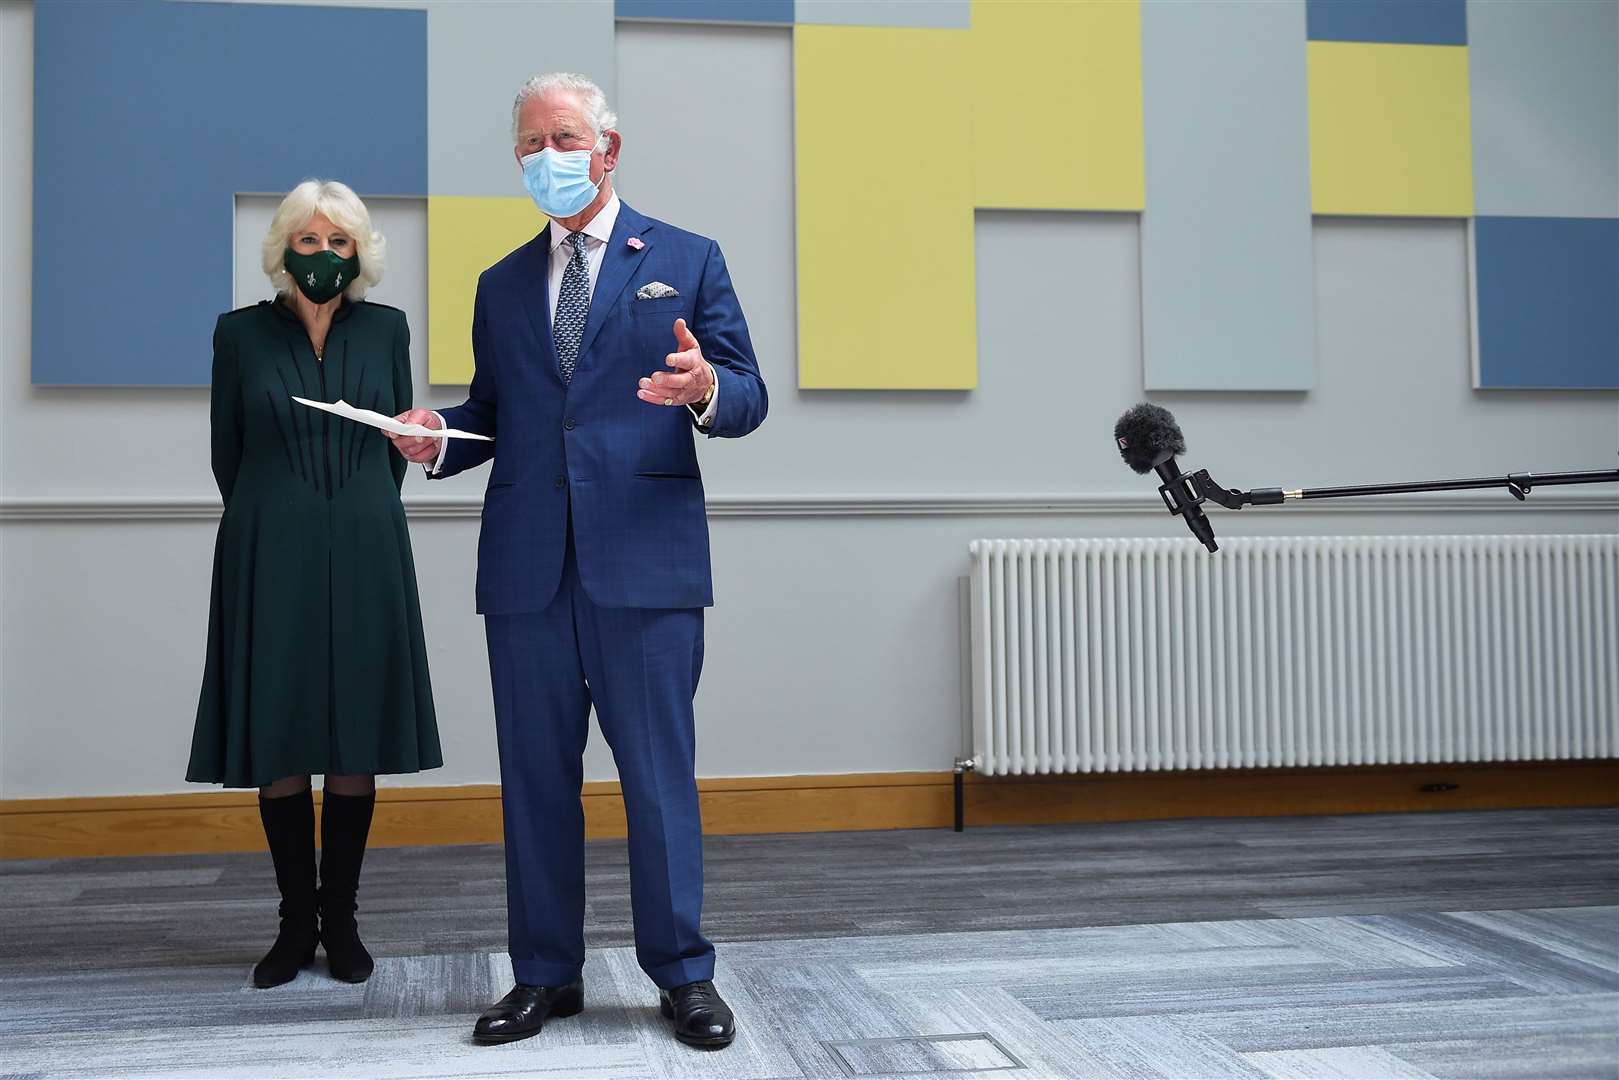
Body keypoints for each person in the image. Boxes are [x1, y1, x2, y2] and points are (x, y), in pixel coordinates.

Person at [389, 72, 766, 1048]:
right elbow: (498, 420)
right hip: (526, 572)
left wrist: (702, 385)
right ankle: (543, 976)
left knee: (657, 780)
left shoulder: (685, 258)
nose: (544, 159)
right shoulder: (502, 283)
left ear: (608, 146)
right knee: (534, 784)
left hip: (644, 567)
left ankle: (682, 975)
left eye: (560, 139)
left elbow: (747, 395)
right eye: (528, 146)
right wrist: (439, 438)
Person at [188, 179, 442, 989]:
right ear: (283, 250)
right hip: (270, 541)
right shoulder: (239, 335)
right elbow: (227, 452)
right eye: (309, 241)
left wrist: (355, 509)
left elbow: (397, 442)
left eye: (339, 243)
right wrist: (280, 513)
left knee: (355, 726)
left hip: (367, 537)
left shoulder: (387, 329)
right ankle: (295, 922)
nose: (324, 255)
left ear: (359, 252)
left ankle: (343, 920)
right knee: (282, 722)